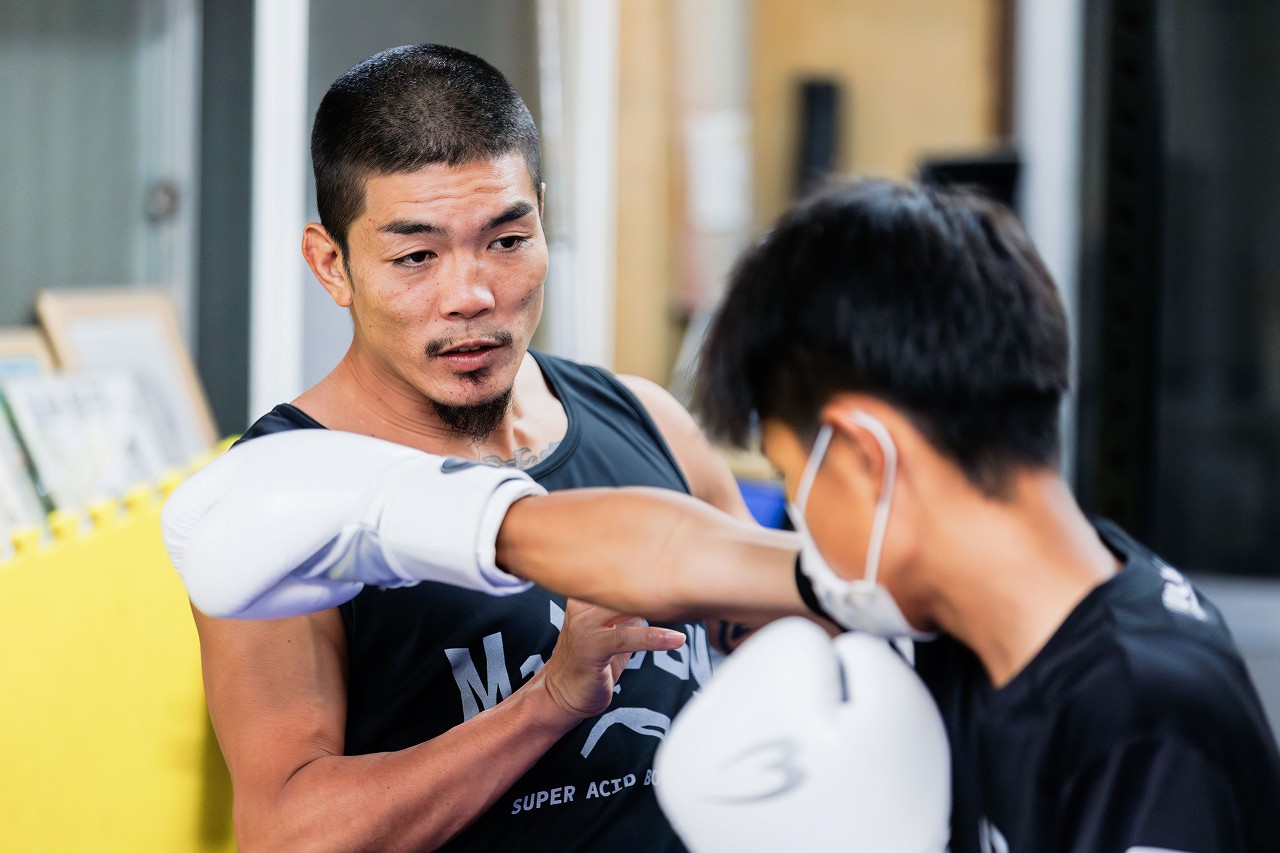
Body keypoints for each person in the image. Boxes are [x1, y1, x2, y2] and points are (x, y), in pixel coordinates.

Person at [167, 178, 1280, 851]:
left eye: (795, 480)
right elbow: (671, 549)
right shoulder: (979, 627)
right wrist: (383, 506)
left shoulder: (1143, 719)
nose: (795, 527)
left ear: (864, 461)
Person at [190, 43, 766, 852]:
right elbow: (289, 834)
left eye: (505, 239)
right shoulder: (281, 496)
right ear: (333, 264)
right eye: (416, 255)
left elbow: (761, 635)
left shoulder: (645, 417)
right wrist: (551, 700)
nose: (472, 295)